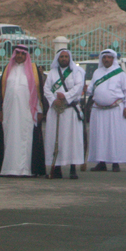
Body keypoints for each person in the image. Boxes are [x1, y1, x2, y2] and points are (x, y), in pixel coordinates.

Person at [0, 45, 46, 177]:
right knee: (9, 138)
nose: (20, 56)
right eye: (18, 53)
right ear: (14, 54)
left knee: (25, 139)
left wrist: (40, 111)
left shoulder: (33, 70)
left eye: (23, 53)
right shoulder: (8, 69)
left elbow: (39, 92)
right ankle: (8, 169)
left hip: (27, 112)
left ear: (26, 55)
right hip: (9, 112)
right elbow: (1, 91)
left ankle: (25, 170)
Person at [87, 49, 126, 172]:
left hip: (115, 110)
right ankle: (101, 162)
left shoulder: (120, 73)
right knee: (100, 136)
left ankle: (115, 163)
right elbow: (91, 89)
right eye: (104, 57)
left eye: (109, 57)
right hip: (98, 109)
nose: (106, 60)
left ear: (113, 59)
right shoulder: (97, 72)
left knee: (114, 136)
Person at [43, 49, 85, 179]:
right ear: (58, 58)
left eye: (66, 56)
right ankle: (56, 168)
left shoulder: (76, 72)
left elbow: (78, 87)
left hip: (70, 110)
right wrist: (54, 100)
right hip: (56, 111)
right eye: (62, 56)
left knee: (72, 140)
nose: (64, 58)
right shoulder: (52, 73)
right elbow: (46, 89)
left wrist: (65, 96)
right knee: (56, 139)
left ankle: (73, 169)